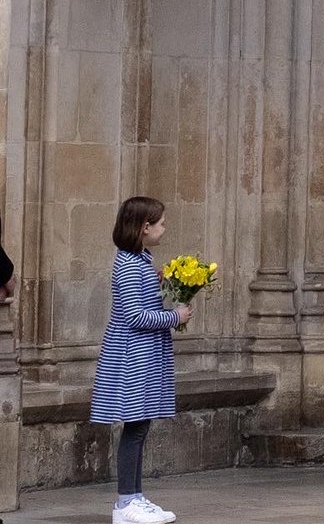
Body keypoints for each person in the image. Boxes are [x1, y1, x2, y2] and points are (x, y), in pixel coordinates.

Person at [90, 197, 192, 524]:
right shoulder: (131, 265)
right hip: (133, 357)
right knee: (135, 426)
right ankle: (125, 503)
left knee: (141, 424)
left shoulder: (140, 261)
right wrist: (174, 316)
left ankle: (134, 497)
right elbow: (134, 317)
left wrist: (161, 283)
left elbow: (140, 302)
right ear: (144, 228)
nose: (165, 228)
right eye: (160, 223)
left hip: (143, 355)